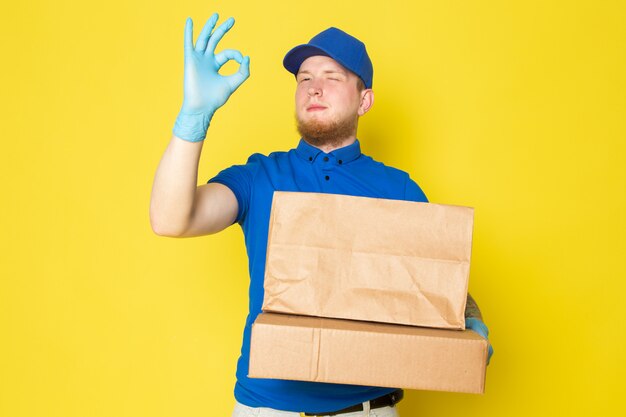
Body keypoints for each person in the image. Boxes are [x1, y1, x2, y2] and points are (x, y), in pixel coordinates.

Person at [150, 12, 493, 417]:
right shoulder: (261, 176)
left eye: (332, 77)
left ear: (364, 100)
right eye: (304, 78)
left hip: (367, 408)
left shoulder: (397, 189)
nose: (314, 88)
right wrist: (193, 117)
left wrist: (470, 321)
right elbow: (171, 219)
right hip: (267, 408)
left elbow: (438, 281)